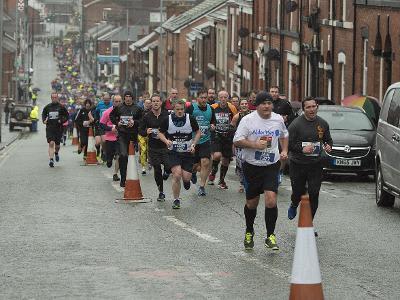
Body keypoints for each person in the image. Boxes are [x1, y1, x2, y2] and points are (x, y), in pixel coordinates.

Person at [233, 91, 288, 251]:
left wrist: (284, 150)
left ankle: (270, 235)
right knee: (252, 203)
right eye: (263, 103)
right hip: (252, 166)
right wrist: (255, 145)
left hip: (271, 165)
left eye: (269, 103)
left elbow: (284, 134)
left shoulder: (278, 119)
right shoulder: (248, 120)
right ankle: (249, 230)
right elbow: (237, 141)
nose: (266, 106)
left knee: (271, 200)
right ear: (256, 106)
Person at [287, 97, 332, 235]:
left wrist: (329, 146)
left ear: (317, 107)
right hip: (298, 164)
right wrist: (302, 149)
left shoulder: (323, 123)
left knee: (314, 193)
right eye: (308, 107)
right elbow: (288, 144)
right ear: (304, 109)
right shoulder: (295, 125)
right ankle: (294, 204)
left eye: (314, 106)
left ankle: (308, 225)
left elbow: (328, 139)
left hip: (315, 165)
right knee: (298, 192)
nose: (312, 109)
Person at [158, 98, 201, 209]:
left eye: (182, 109)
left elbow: (198, 132)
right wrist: (166, 141)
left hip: (187, 152)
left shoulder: (190, 118)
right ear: (174, 109)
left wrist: (193, 144)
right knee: (177, 175)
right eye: (177, 109)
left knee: (186, 178)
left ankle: (187, 181)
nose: (180, 111)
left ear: (184, 109)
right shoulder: (167, 119)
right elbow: (160, 133)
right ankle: (176, 200)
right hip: (173, 152)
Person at [139, 94, 169, 201]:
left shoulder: (166, 115)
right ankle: (161, 192)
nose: (155, 103)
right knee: (157, 170)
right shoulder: (147, 116)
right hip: (153, 147)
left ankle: (167, 171)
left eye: (157, 101)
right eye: (153, 101)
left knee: (168, 166)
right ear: (151, 103)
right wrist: (145, 132)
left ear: (161, 102)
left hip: (165, 146)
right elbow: (141, 131)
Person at [186, 88, 216, 196]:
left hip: (205, 140)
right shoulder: (191, 108)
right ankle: (193, 172)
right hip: (193, 140)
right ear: (197, 98)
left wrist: (213, 126)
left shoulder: (210, 109)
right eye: (202, 98)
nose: (204, 100)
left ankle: (202, 186)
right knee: (194, 166)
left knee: (205, 162)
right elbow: (184, 120)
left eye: (205, 98)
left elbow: (213, 121)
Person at [110, 90, 143, 187]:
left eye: (129, 97)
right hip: (122, 135)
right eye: (126, 97)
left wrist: (135, 122)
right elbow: (111, 116)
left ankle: (131, 176)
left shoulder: (137, 108)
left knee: (131, 157)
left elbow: (142, 119)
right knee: (123, 155)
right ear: (124, 98)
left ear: (132, 98)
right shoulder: (119, 107)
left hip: (133, 135)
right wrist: (117, 123)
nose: (128, 99)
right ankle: (123, 178)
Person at [209, 90, 238, 189]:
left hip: (228, 136)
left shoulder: (232, 108)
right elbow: (209, 119)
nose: (223, 99)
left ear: (228, 98)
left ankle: (221, 180)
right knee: (217, 155)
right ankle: (213, 170)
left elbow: (236, 119)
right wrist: (211, 125)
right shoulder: (213, 107)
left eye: (225, 97)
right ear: (218, 98)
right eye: (221, 97)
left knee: (226, 160)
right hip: (216, 135)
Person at [270, 86, 297, 184]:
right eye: (272, 92)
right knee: (270, 153)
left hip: (281, 134)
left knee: (282, 154)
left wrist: (287, 118)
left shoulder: (285, 103)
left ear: (278, 93)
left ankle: (280, 172)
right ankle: (270, 173)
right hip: (269, 133)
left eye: (276, 92)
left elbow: (293, 116)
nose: (274, 94)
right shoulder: (266, 103)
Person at [42, 92, 69, 167]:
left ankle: (56, 153)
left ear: (57, 98)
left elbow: (67, 116)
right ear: (51, 98)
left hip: (58, 128)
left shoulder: (61, 107)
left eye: (55, 97)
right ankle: (51, 159)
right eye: (53, 97)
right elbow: (43, 114)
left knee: (57, 146)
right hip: (50, 128)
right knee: (51, 143)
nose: (54, 99)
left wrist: (62, 120)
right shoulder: (47, 107)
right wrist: (44, 120)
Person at [100, 94, 122, 182]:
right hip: (109, 138)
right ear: (113, 102)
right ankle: (108, 158)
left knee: (119, 156)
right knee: (109, 159)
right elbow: (101, 125)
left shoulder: (124, 112)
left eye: (120, 101)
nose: (118, 103)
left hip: (120, 138)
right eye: (116, 101)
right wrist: (110, 128)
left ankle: (115, 174)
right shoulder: (107, 112)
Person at [230, 98, 251, 193]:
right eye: (242, 103)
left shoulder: (253, 115)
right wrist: (233, 143)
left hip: (250, 143)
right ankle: (242, 183)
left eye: (246, 103)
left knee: (250, 163)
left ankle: (249, 183)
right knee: (241, 164)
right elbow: (231, 130)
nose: (244, 105)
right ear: (239, 105)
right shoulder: (236, 117)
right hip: (239, 144)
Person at [89, 92, 112, 162]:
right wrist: (96, 120)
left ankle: (103, 152)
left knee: (104, 141)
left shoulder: (112, 105)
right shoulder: (100, 104)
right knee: (98, 142)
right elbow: (96, 113)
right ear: (103, 99)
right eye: (105, 100)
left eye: (107, 100)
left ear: (110, 99)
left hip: (107, 125)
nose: (106, 101)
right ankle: (98, 149)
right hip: (99, 124)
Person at [138, 98, 152, 175]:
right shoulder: (140, 111)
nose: (148, 104)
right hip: (141, 133)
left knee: (149, 150)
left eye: (149, 103)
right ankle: (143, 167)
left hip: (150, 133)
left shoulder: (153, 112)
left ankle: (150, 162)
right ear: (144, 104)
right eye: (146, 103)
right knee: (143, 150)